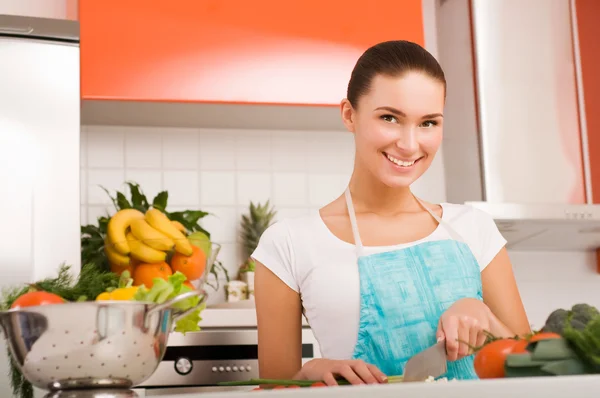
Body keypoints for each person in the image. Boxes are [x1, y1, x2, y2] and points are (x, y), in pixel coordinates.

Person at [251, 40, 531, 386]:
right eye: (389, 118)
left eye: (428, 123)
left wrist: (483, 316)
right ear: (349, 115)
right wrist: (307, 375)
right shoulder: (289, 243)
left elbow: (530, 369)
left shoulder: (474, 228)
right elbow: (274, 390)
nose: (410, 144)